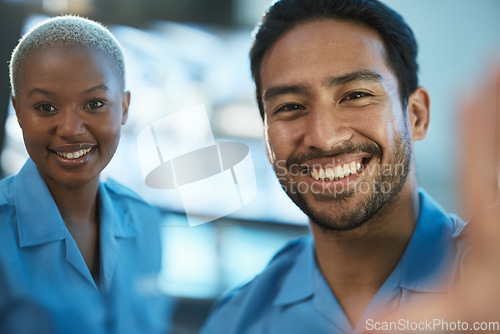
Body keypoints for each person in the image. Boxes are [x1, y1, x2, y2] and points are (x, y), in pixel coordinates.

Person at [200, 0, 476, 333]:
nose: (323, 137)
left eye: (356, 95)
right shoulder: (237, 321)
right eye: (290, 106)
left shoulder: (485, 282)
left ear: (416, 115)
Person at [0, 16, 170, 334]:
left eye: (94, 104)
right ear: (19, 113)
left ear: (124, 107)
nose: (70, 129)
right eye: (46, 107)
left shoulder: (143, 220)